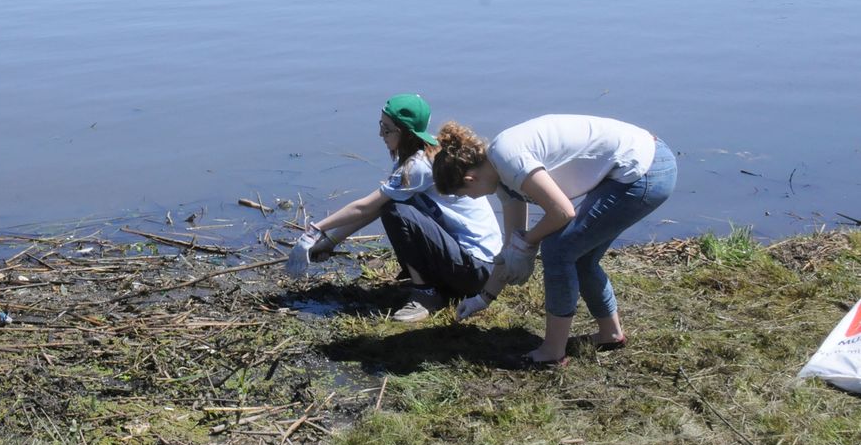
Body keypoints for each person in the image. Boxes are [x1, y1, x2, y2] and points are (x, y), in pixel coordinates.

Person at [431, 115, 677, 369]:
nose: (470, 199)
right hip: (637, 166)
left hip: (646, 170)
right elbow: (512, 246)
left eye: (463, 195)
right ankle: (610, 335)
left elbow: (562, 212)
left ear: (469, 180)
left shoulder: (509, 159)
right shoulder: (500, 177)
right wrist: (483, 298)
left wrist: (530, 243)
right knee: (579, 256)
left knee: (559, 250)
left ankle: (552, 352)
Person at [287, 94, 502, 322]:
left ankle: (426, 294)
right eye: (381, 126)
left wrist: (314, 231)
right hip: (473, 265)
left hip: (477, 269)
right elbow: (373, 208)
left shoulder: (419, 165)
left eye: (387, 129)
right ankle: (434, 285)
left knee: (396, 211)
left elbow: (366, 206)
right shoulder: (420, 155)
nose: (381, 134)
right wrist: (330, 243)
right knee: (392, 205)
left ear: (405, 132)